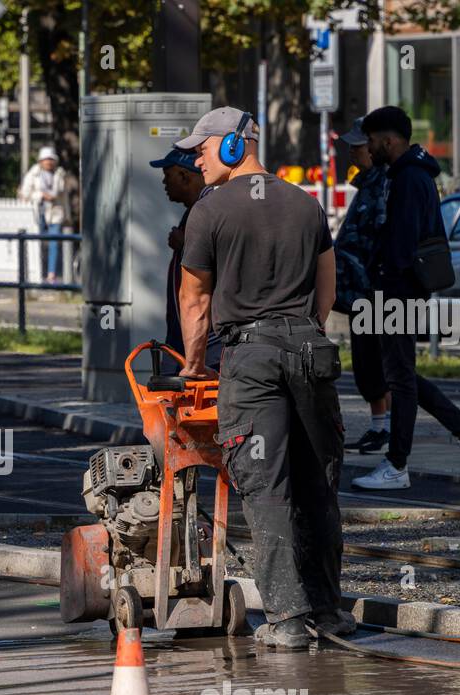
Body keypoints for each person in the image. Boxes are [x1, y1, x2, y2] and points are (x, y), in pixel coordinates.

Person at [176, 106, 350, 650]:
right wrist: (305, 332)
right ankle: (329, 610)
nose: (196, 158)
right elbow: (328, 283)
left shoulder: (209, 212)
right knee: (316, 484)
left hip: (251, 361)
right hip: (310, 350)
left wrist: (194, 363)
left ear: (232, 146)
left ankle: (288, 619)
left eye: (202, 147)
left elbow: (194, 297)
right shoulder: (306, 203)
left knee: (264, 485)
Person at [352, 106, 460, 491]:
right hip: (399, 289)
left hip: (398, 290)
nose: (368, 148)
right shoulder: (408, 175)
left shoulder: (410, 179)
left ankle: (399, 463)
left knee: (400, 377)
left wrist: (383, 279)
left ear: (389, 140)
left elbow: (402, 242)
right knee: (401, 375)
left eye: (371, 140)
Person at [332, 117, 392, 455]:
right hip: (362, 289)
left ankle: (385, 428)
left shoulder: (382, 184)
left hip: (373, 290)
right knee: (369, 358)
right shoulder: (369, 183)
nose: (353, 152)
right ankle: (380, 426)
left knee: (378, 359)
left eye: (357, 146)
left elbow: (377, 237)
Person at [148, 142, 217, 372]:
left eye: (168, 176)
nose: (164, 183)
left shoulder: (208, 214)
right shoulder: (196, 212)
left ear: (184, 176)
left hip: (204, 343)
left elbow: (216, 264)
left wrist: (186, 244)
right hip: (183, 338)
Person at [18, 146, 67, 283]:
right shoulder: (33, 174)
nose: (49, 162)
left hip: (55, 211)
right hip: (38, 212)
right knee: (37, 243)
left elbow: (63, 194)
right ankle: (38, 271)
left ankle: (51, 273)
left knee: (54, 242)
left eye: (51, 159)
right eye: (46, 159)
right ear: (40, 161)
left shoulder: (59, 174)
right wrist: (41, 195)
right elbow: (24, 194)